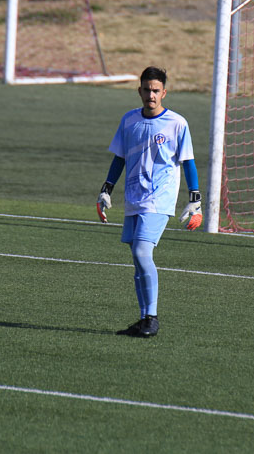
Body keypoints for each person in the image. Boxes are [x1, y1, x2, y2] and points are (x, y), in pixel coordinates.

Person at [96, 66, 203, 338]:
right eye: (147, 90)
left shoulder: (177, 123)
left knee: (143, 252)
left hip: (159, 199)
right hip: (134, 197)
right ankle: (144, 318)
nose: (151, 95)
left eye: (156, 90)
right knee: (136, 256)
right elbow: (119, 157)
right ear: (139, 91)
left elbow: (188, 162)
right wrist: (107, 189)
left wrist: (195, 199)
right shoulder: (129, 120)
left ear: (164, 92)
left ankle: (152, 318)